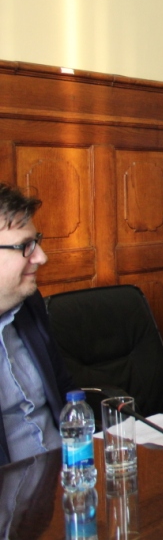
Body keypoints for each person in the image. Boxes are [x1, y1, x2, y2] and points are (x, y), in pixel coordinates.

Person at [0, 183, 75, 466]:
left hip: (67, 473)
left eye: (37, 242)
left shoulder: (29, 305)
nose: (41, 257)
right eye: (25, 246)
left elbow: (64, 389)